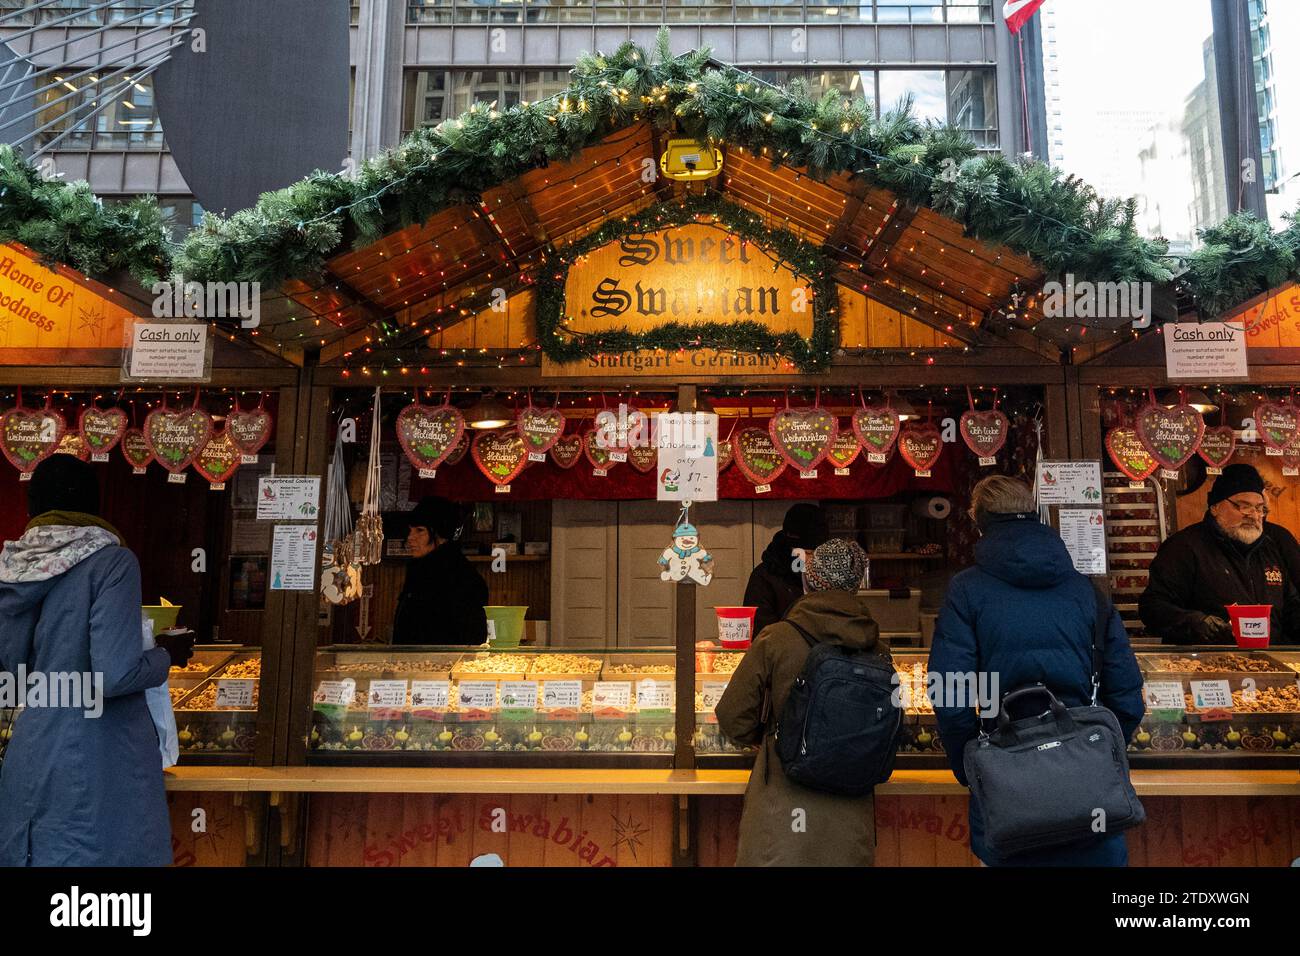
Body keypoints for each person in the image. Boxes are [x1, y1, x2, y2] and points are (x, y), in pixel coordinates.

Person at [929, 475, 1144, 867]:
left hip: (1008, 789)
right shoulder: (1086, 591)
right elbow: (1127, 695)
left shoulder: (966, 590)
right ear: (1035, 514)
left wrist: (974, 768)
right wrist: (1098, 748)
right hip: (1088, 785)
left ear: (978, 521)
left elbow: (950, 693)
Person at [0, 455, 194, 866]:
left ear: (33, 509)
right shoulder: (112, 562)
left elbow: (9, 669)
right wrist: (165, 655)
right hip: (98, 753)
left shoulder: (12, 567)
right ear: (93, 507)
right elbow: (113, 673)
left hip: (32, 748)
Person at [716, 538, 884, 866]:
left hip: (782, 812)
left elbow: (733, 717)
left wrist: (771, 739)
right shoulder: (878, 650)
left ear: (810, 580)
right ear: (858, 584)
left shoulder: (777, 638)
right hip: (851, 818)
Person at [1140, 463, 1300, 645]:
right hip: (1207, 665)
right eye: (1243, 506)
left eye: (1259, 508)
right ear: (1215, 507)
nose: (1253, 515)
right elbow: (1152, 607)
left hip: (1270, 665)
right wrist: (1197, 623)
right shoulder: (1184, 547)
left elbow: (1292, 607)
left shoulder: (1273, 547)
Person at [392, 495, 489, 645]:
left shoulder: (459, 574)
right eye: (410, 530)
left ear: (441, 535)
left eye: (419, 530)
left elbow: (472, 633)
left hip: (441, 663)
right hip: (412, 662)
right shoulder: (419, 568)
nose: (410, 537)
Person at [742, 503, 830, 635]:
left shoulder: (828, 573)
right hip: (780, 652)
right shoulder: (764, 577)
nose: (810, 560)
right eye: (806, 552)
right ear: (790, 547)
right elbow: (761, 634)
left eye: (816, 553)